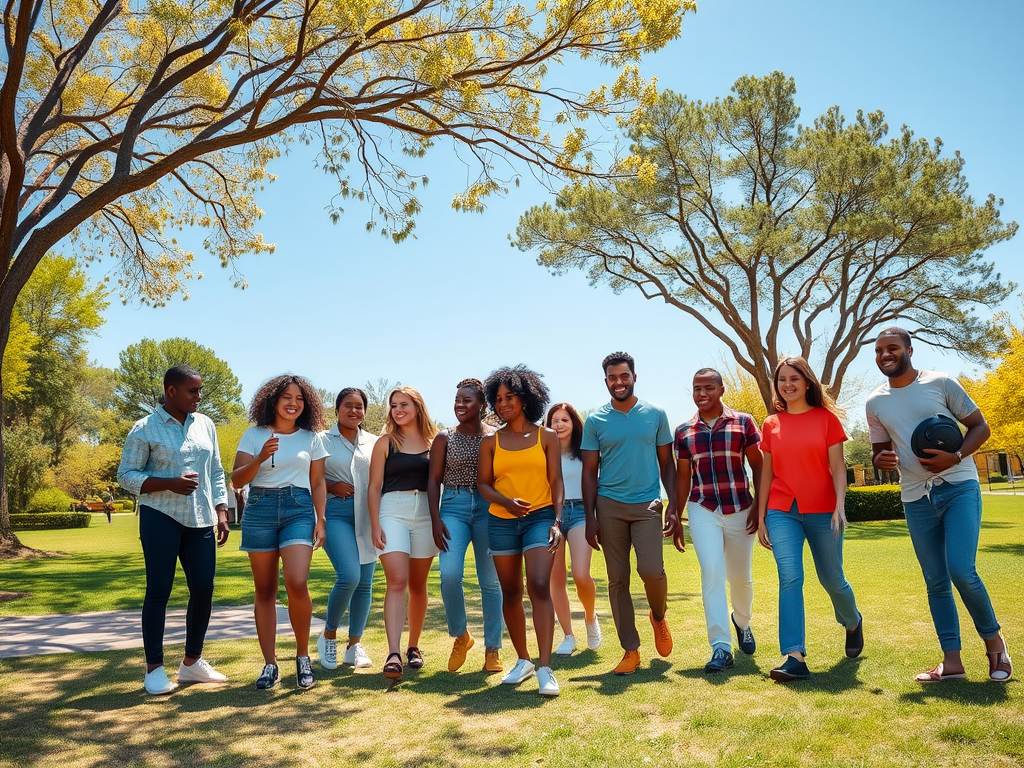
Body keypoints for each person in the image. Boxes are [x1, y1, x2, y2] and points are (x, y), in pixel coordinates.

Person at [866, 327, 1011, 683]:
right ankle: (952, 662)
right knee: (935, 581)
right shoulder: (875, 403)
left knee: (962, 570)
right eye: (879, 350)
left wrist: (956, 455)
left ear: (909, 349)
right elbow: (879, 454)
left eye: (893, 348)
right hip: (916, 497)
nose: (886, 354)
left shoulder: (941, 383)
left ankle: (996, 645)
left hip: (959, 487)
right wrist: (881, 462)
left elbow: (980, 426)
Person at [117, 365, 230, 695]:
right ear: (171, 392)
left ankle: (192, 663)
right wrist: (168, 484)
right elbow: (126, 475)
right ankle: (154, 669)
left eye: (199, 391)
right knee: (158, 591)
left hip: (201, 520)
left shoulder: (206, 424)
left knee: (204, 590)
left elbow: (217, 471)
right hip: (160, 517)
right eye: (193, 391)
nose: (199, 397)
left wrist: (221, 509)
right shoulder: (144, 429)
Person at [757, 356, 863, 682]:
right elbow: (766, 474)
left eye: (794, 379)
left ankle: (852, 620)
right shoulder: (770, 424)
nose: (787, 385)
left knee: (832, 579)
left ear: (807, 382)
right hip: (782, 510)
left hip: (823, 510)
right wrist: (761, 517)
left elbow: (838, 468)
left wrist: (839, 506)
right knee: (790, 576)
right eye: (782, 380)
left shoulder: (826, 420)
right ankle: (794, 655)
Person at [582, 351, 677, 675]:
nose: (618, 382)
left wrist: (674, 506)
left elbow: (667, 464)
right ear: (606, 380)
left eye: (624, 376)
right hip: (609, 506)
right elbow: (589, 472)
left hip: (647, 503)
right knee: (617, 580)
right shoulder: (595, 421)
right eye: (612, 377)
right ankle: (630, 650)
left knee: (651, 570)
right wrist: (591, 518)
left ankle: (659, 616)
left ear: (634, 377)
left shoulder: (655, 414)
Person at [232, 374, 328, 690]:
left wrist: (321, 519)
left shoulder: (311, 438)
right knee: (265, 590)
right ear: (273, 400)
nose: (293, 403)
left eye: (300, 398)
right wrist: (260, 456)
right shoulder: (253, 435)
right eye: (287, 397)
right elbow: (237, 481)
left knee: (297, 582)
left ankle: (302, 657)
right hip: (259, 508)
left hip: (298, 507)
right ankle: (270, 664)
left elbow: (317, 483)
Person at [478, 365, 564, 696]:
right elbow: (483, 485)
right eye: (497, 399)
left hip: (540, 517)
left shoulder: (548, 437)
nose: (502, 404)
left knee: (539, 585)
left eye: (509, 397)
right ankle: (524, 660)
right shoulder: (491, 441)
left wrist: (557, 520)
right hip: (501, 521)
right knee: (510, 592)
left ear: (526, 398)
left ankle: (545, 666)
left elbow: (556, 481)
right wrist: (505, 501)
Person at [674, 368, 762, 674]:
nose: (702, 393)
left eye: (708, 387)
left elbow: (759, 466)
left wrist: (759, 506)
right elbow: (683, 477)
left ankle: (743, 622)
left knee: (741, 578)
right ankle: (721, 647)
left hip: (740, 507)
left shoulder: (744, 422)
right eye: (697, 388)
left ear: (721, 390)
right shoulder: (684, 431)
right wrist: (675, 512)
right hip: (703, 507)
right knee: (711, 573)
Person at [428, 378, 504, 674]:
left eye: (467, 400)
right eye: (457, 400)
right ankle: (461, 636)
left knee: (490, 582)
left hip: (489, 509)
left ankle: (493, 648)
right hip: (453, 508)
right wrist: (436, 519)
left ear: (482, 404)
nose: (460, 405)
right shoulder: (444, 437)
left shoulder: (497, 437)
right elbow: (433, 481)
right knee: (449, 575)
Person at [368, 386, 438, 681]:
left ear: (418, 407)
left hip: (425, 513)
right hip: (391, 510)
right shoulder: (385, 442)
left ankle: (413, 647)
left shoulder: (436, 443)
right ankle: (393, 653)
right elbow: (373, 487)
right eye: (394, 405)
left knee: (419, 585)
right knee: (397, 580)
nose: (398, 410)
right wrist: (375, 524)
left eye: (404, 404)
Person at [316, 388, 378, 671]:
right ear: (337, 409)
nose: (354, 411)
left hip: (367, 515)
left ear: (365, 411)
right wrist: (331, 485)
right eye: (348, 406)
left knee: (365, 582)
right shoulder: (321, 440)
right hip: (336, 512)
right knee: (349, 576)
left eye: (359, 406)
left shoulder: (375, 443)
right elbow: (308, 476)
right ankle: (329, 634)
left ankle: (354, 645)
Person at [546, 402, 601, 656]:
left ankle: (590, 617)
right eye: (554, 420)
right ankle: (568, 635)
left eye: (564, 420)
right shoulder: (544, 451)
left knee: (580, 574)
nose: (558, 425)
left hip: (580, 513)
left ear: (573, 423)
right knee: (555, 579)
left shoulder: (586, 450)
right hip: (550, 516)